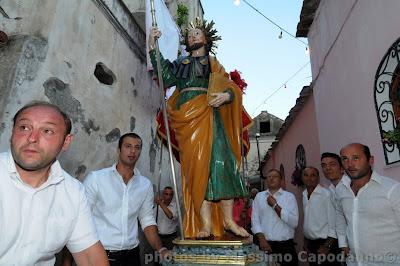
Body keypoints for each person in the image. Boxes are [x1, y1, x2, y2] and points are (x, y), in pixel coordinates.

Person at [148, 18, 251, 238]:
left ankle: (228, 221)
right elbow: (165, 75)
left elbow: (230, 86)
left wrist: (226, 95)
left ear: (206, 39)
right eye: (190, 34)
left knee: (221, 168)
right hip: (187, 120)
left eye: (198, 34)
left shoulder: (213, 63)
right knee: (197, 173)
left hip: (211, 117)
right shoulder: (180, 63)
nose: (193, 36)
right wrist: (152, 47)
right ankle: (204, 225)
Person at [0, 101, 109, 265]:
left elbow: (89, 256)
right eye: (24, 127)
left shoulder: (73, 192)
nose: (32, 138)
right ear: (12, 133)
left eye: (47, 131)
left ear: (66, 141)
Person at [63, 133, 169, 266]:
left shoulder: (145, 184)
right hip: (100, 255)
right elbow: (78, 220)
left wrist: (161, 248)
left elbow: (147, 220)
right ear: (119, 150)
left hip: (132, 256)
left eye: (137, 147)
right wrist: (66, 261)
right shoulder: (96, 179)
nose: (132, 151)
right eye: (128, 146)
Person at [336, 143, 400, 265]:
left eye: (356, 158)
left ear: (370, 160)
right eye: (345, 159)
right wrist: (343, 243)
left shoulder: (392, 189)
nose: (350, 164)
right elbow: (340, 216)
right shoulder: (341, 190)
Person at [251, 169, 299, 266]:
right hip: (264, 245)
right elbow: (255, 220)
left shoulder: (289, 197)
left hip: (285, 247)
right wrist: (262, 240)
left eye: (275, 176)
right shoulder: (259, 197)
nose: (271, 179)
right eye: (269, 177)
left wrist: (275, 206)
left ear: (281, 180)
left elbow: (294, 222)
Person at [301, 167, 340, 266]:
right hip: (311, 245)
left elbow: (335, 223)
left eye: (313, 175)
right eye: (306, 175)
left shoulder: (326, 195)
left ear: (318, 178)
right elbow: (308, 221)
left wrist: (327, 246)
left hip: (325, 244)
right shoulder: (304, 195)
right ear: (302, 177)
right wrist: (305, 242)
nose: (309, 178)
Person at [321, 152, 349, 265]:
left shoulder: (350, 185)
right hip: (345, 244)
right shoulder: (331, 190)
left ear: (342, 168)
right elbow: (338, 221)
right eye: (323, 165)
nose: (327, 168)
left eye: (332, 164)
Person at [155, 186, 178, 250]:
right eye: (166, 194)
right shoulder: (156, 205)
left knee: (171, 257)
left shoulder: (175, 206)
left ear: (172, 196)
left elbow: (170, 216)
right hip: (158, 237)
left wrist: (160, 203)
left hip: (171, 238)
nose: (168, 197)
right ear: (163, 194)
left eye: (170, 195)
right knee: (158, 257)